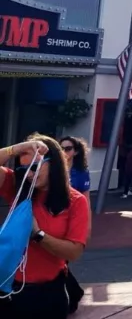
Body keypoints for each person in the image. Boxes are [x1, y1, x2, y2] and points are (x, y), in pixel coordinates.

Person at [0, 135, 91, 319]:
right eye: (24, 169)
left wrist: (38, 234)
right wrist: (18, 148)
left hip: (48, 294)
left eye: (34, 167)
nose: (29, 175)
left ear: (54, 163)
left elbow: (73, 252)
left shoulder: (75, 201)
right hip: (11, 288)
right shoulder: (18, 188)